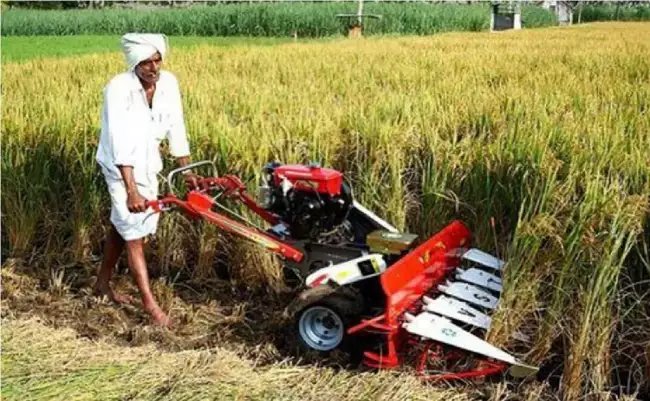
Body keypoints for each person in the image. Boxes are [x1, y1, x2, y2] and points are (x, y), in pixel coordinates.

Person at [94, 33, 198, 327]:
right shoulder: (118, 89)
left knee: (125, 224)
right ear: (134, 64)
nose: (154, 68)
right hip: (119, 167)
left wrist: (188, 171)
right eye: (146, 63)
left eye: (157, 60)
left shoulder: (169, 84)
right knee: (134, 233)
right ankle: (150, 305)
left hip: (149, 163)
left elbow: (177, 126)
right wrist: (131, 190)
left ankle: (101, 284)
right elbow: (119, 140)